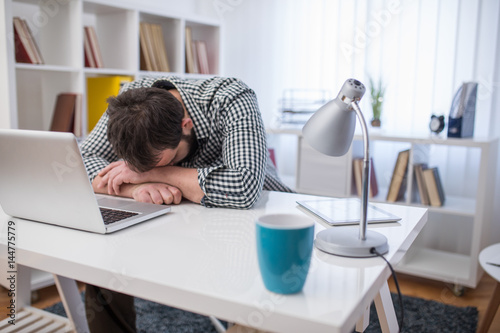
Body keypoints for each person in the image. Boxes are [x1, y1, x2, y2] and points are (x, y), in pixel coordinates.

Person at [79, 76, 292, 332]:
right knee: (103, 263)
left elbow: (243, 188)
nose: (148, 170)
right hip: (174, 217)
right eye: (137, 166)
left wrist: (152, 174)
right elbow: (82, 161)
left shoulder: (232, 98)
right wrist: (137, 187)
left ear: (185, 125)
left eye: (165, 161)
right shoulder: (131, 104)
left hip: (249, 217)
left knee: (245, 289)